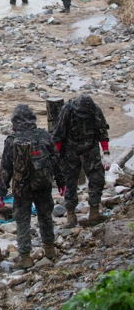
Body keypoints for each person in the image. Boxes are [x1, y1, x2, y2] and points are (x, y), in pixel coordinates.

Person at [0, 104, 65, 269]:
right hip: (43, 185)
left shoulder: (11, 141)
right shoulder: (44, 135)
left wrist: (1, 191)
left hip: (22, 188)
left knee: (22, 220)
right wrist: (61, 182)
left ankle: (25, 257)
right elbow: (55, 160)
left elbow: (6, 168)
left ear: (15, 121)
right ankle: (49, 250)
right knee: (45, 217)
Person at [53, 95, 110, 227]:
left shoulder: (95, 110)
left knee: (97, 178)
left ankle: (94, 212)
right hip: (70, 149)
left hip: (90, 147)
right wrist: (56, 157)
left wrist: (106, 153)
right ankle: (71, 215)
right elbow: (58, 134)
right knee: (69, 181)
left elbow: (102, 131)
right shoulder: (67, 110)